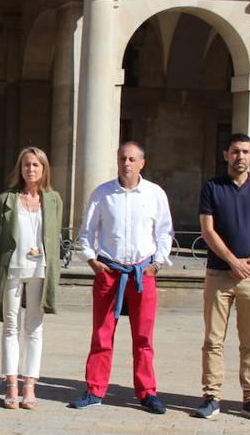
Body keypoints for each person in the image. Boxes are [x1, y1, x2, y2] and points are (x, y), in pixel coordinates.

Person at [70, 141, 173, 414]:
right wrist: (92, 261)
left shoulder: (154, 194)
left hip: (142, 273)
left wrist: (157, 263)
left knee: (143, 337)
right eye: (122, 158)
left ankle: (147, 392)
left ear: (142, 163)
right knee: (102, 335)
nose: (126, 163)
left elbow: (164, 232)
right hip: (110, 271)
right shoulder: (103, 194)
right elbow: (86, 232)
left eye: (132, 159)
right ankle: (94, 389)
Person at [194, 134, 250, 421]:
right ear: (226, 154)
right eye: (235, 151)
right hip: (219, 274)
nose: (240, 156)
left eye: (245, 152)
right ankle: (212, 396)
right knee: (213, 340)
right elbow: (207, 230)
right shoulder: (212, 188)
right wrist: (231, 260)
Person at [0, 146, 62, 410]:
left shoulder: (53, 199)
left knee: (34, 328)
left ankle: (29, 385)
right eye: (26, 165)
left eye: (35, 165)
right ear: (20, 169)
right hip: (12, 269)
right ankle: (11, 383)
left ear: (44, 169)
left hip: (40, 270)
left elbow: (53, 238)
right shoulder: (6, 199)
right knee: (10, 327)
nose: (30, 169)